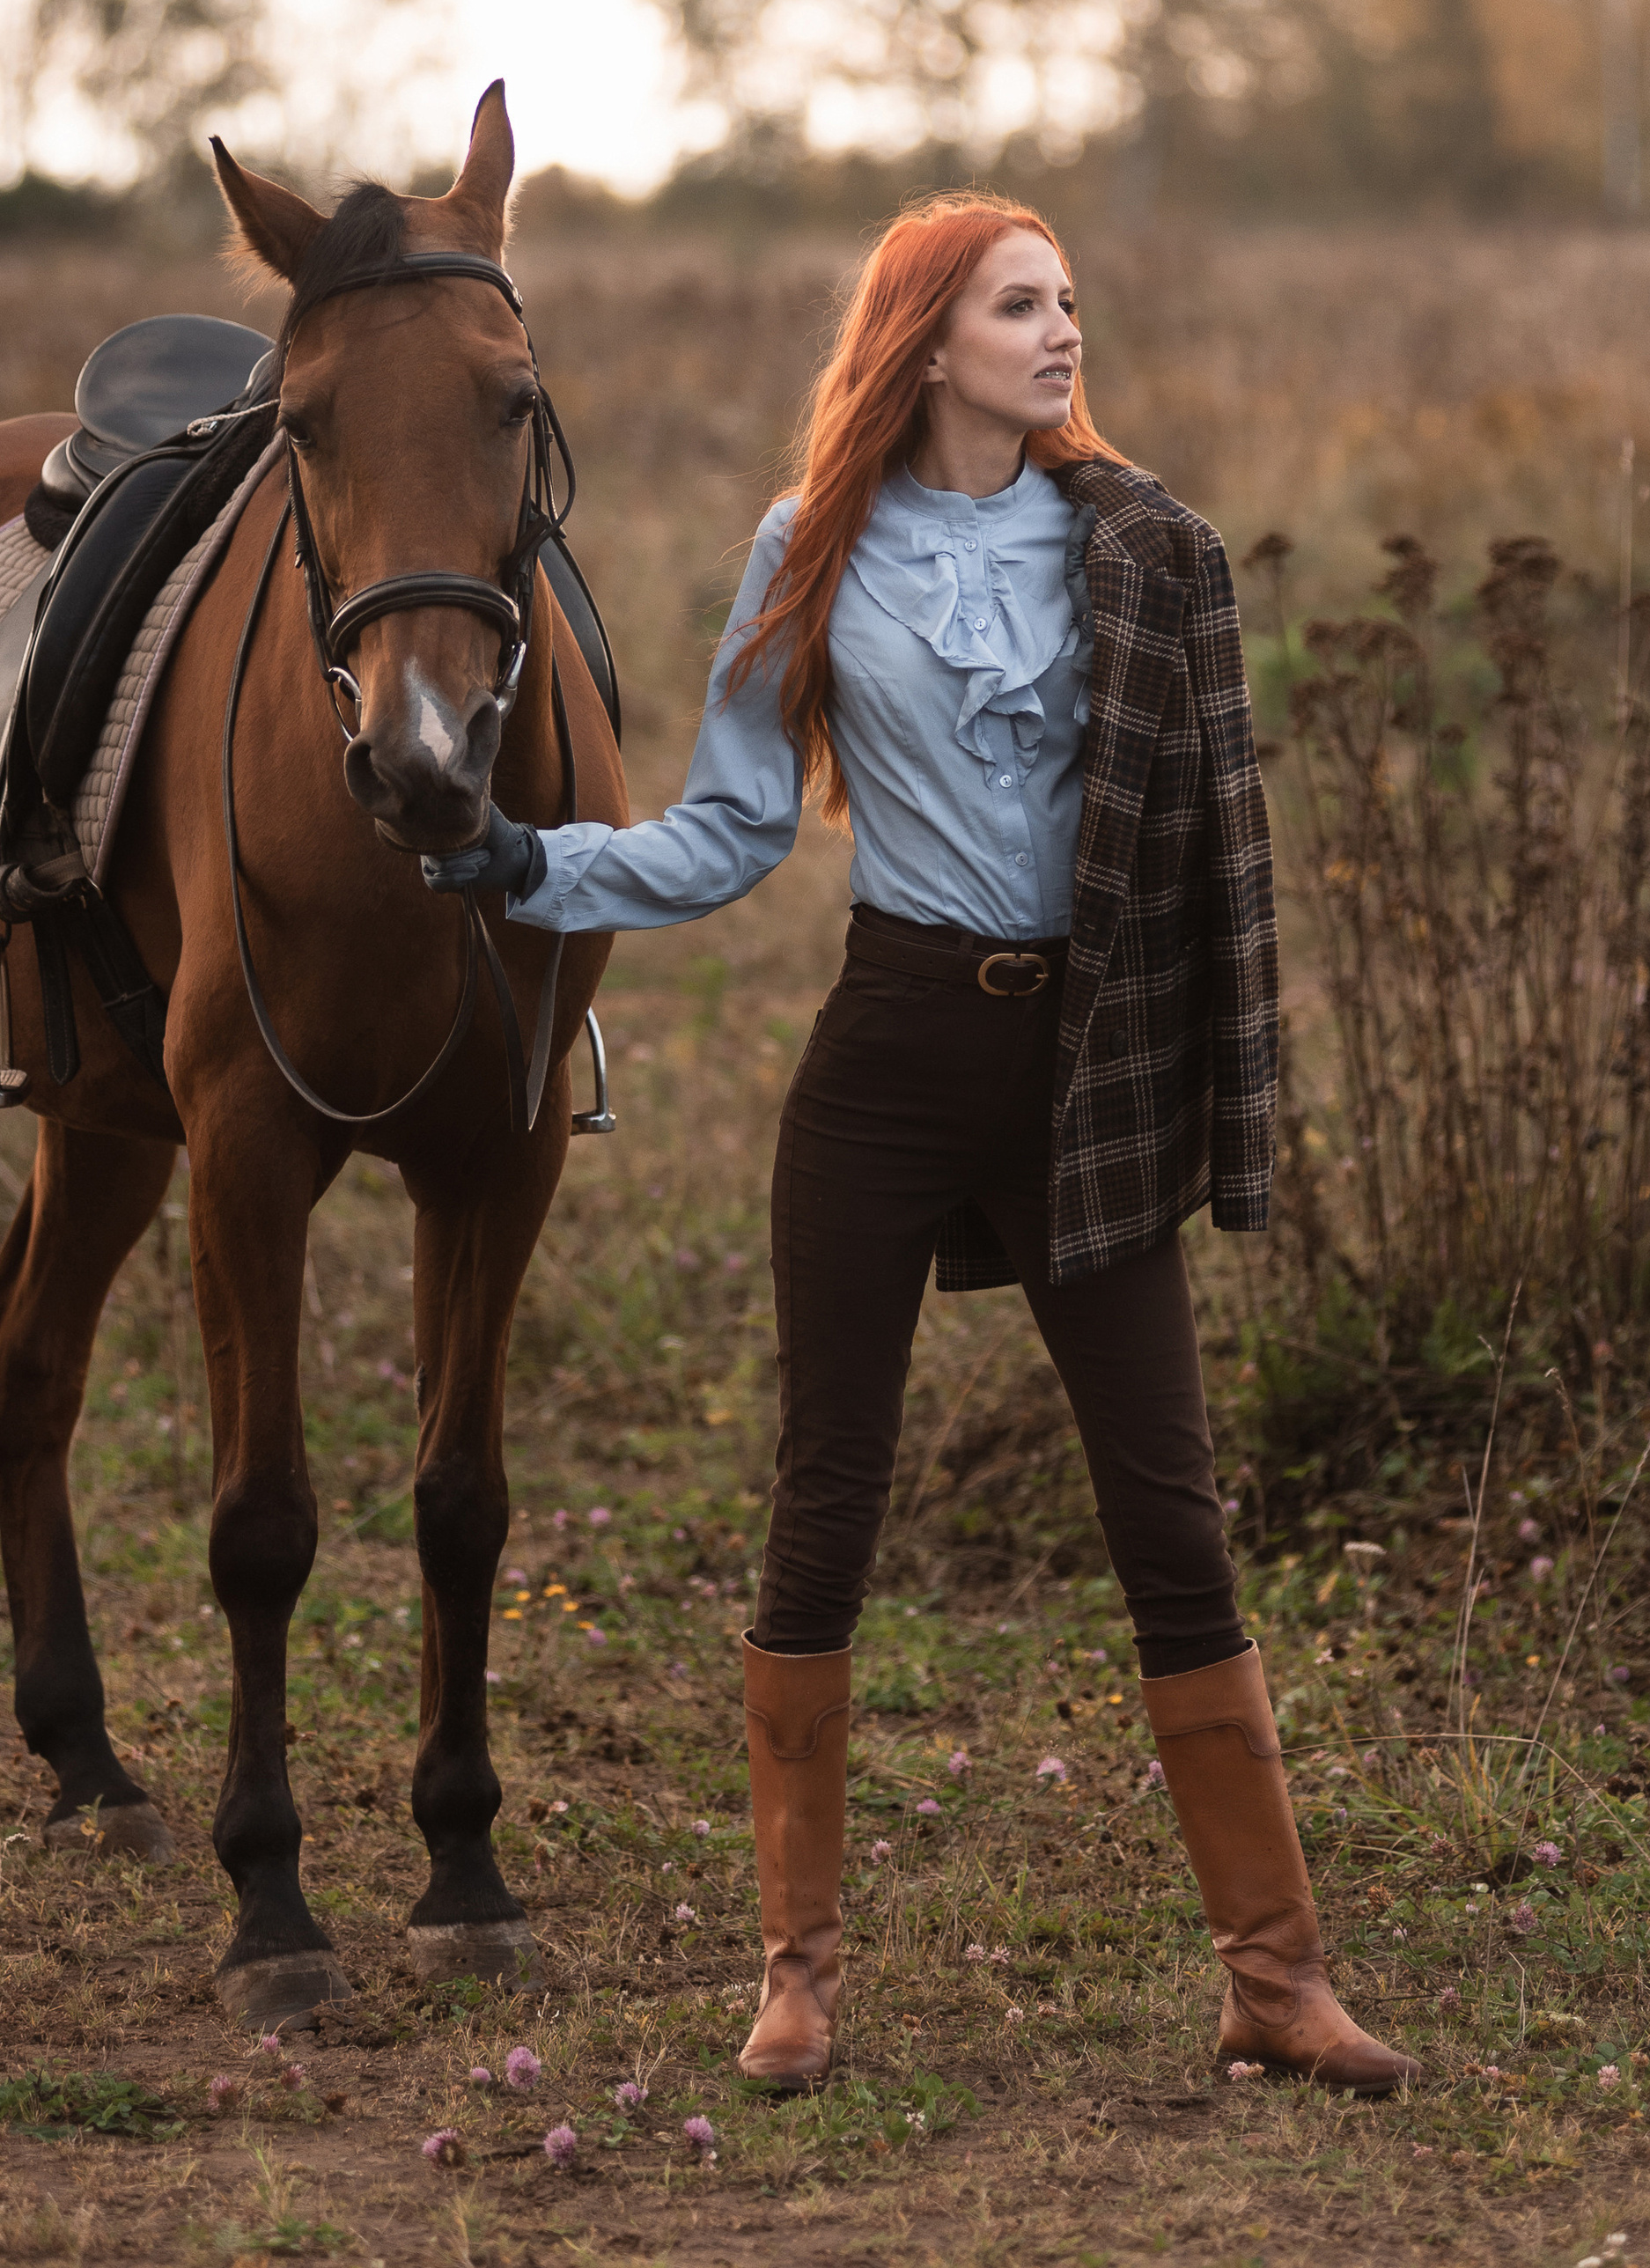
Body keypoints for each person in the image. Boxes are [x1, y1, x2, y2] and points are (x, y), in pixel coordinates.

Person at [449, 194, 1414, 2101]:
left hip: (1087, 1061)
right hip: (888, 1057)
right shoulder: (805, 551)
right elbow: (731, 824)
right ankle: (794, 1978)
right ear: (925, 335)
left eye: (1066, 304)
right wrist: (533, 863)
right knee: (829, 1494)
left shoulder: (1130, 543)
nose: (1059, 334)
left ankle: (1276, 1977)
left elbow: (1212, 828)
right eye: (1017, 306)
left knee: (1170, 1509)